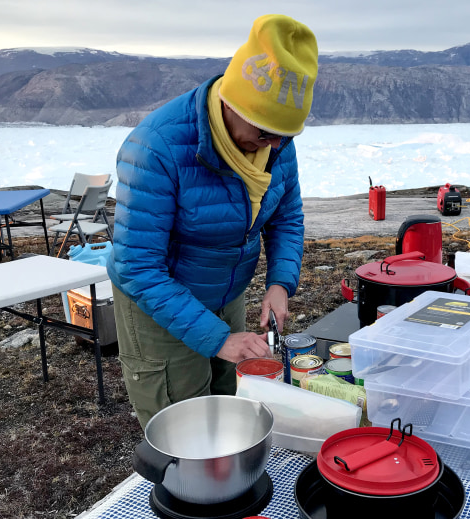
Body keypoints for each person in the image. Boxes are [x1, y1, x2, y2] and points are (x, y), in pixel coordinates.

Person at [107, 14, 318, 429]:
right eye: (264, 133)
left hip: (226, 289)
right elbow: (138, 266)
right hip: (158, 300)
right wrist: (218, 338)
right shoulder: (158, 147)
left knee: (231, 397)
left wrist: (279, 284)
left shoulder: (275, 143)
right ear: (231, 103)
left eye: (286, 136)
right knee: (184, 419)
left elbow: (287, 217)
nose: (274, 146)